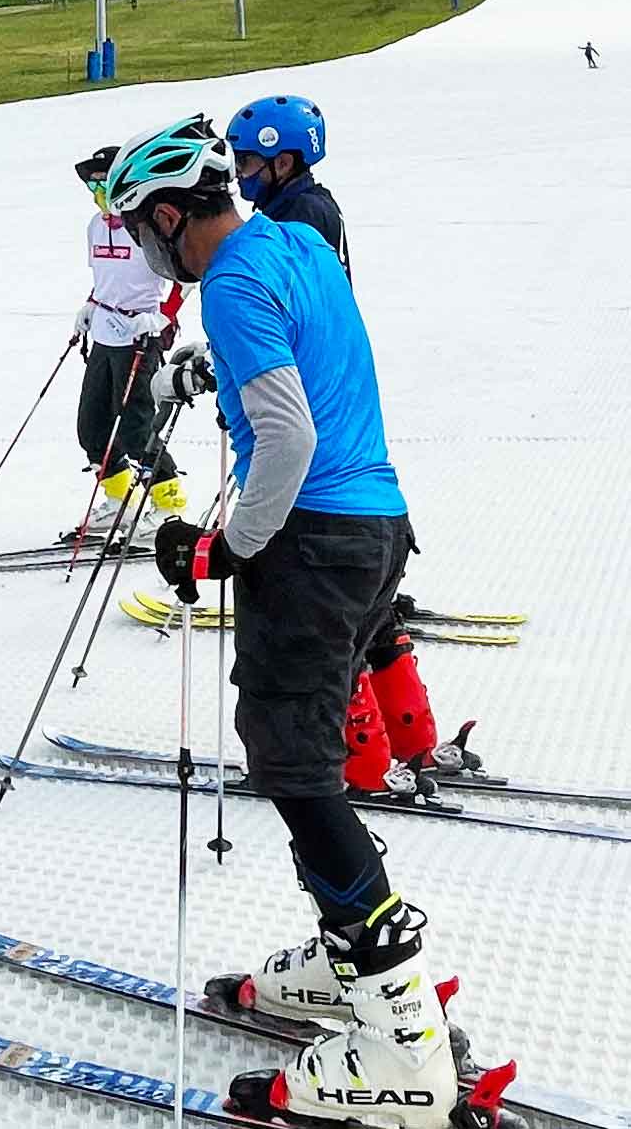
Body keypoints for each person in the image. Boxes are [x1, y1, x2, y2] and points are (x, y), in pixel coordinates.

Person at [108, 117, 456, 1126]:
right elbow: (311, 370)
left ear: (172, 215)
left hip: (313, 538)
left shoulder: (227, 282)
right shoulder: (293, 238)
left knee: (295, 770)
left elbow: (288, 431)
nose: (142, 248)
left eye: (142, 230)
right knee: (300, 756)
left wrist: (225, 546)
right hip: (376, 524)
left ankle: (397, 1041)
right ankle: (352, 967)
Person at [227, 93, 450, 792]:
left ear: (283, 160)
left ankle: (358, 764)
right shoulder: (310, 209)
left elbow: (291, 317)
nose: (239, 175)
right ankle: (410, 743)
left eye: (248, 161)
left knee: (326, 633)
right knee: (369, 621)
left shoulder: (296, 221)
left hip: (314, 452)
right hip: (348, 449)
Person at [67, 146, 189, 538]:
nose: (98, 192)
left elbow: (184, 278)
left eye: (104, 183)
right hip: (104, 331)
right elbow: (106, 277)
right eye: (92, 185)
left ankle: (169, 505)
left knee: (136, 428)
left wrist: (163, 316)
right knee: (92, 425)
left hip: (140, 334)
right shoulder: (95, 226)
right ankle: (121, 501)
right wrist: (89, 305)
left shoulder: (146, 228)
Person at [224, 95, 350, 281]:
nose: (237, 173)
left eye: (244, 161)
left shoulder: (301, 214)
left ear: (283, 163)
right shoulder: (307, 203)